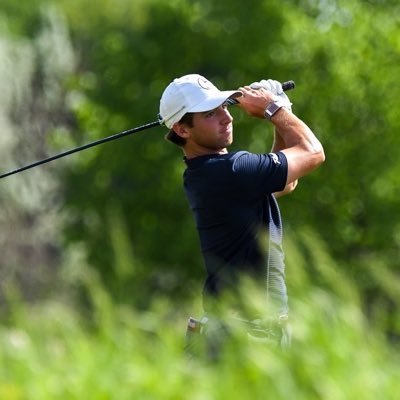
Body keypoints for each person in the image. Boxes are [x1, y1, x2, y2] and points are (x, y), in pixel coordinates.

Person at [158, 74, 325, 358]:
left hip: (231, 331)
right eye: (211, 113)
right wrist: (274, 110)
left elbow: (286, 182)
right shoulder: (231, 169)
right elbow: (313, 152)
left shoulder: (205, 172)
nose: (227, 117)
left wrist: (281, 110)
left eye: (225, 107)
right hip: (244, 337)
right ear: (183, 130)